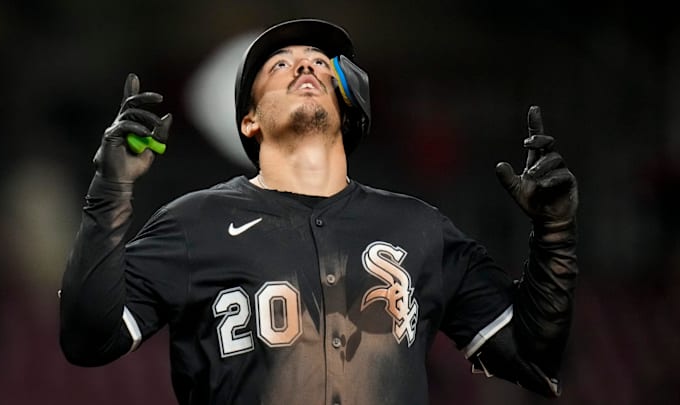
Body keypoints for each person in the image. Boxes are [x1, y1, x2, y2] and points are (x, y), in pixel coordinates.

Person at [59, 18, 579, 405]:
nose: (304, 65)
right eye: (279, 65)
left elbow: (531, 353)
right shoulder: (194, 223)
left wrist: (554, 233)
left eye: (317, 62)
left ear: (347, 103)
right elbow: (88, 338)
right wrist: (110, 187)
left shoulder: (419, 228)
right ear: (248, 121)